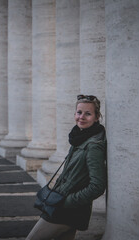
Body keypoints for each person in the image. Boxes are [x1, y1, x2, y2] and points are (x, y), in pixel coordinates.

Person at [26, 94, 107, 240]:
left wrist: (67, 202)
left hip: (67, 209)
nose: (81, 117)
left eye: (88, 114)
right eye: (79, 112)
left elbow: (98, 185)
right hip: (62, 204)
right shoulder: (79, 139)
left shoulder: (93, 145)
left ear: (96, 117)